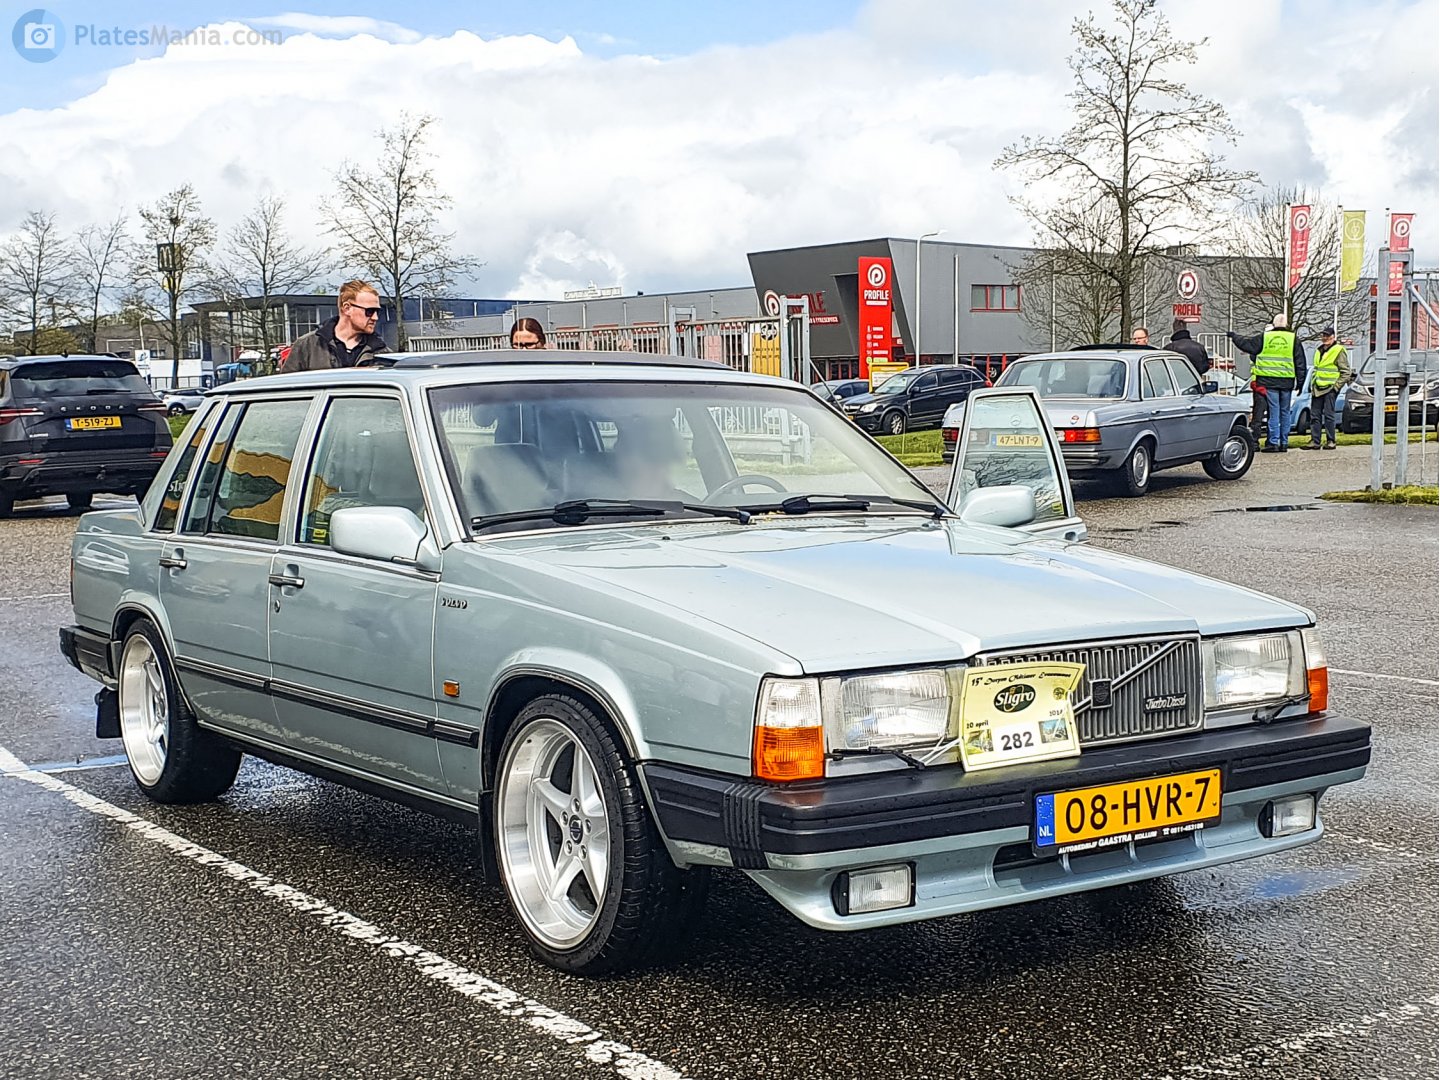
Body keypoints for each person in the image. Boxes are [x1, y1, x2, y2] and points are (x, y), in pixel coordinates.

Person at [1228, 313, 1306, 453]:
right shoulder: (1293, 339)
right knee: (1285, 413)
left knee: (1274, 413)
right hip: (1287, 382)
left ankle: (1273, 443)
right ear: (1286, 324)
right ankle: (1284, 442)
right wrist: (1300, 383)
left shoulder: (1265, 337)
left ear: (1274, 324)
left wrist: (1234, 336)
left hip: (1269, 381)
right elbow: (1300, 363)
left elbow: (1247, 345)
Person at [279, 280, 388, 372]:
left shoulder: (382, 353)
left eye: (378, 311)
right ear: (347, 308)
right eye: (370, 311)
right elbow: (286, 388)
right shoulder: (307, 346)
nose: (375, 317)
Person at [1300, 326, 1350, 450]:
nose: (1325, 338)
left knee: (1329, 415)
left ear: (1333, 337)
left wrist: (1336, 387)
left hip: (1330, 388)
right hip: (1317, 387)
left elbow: (1346, 372)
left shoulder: (1338, 351)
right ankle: (1315, 440)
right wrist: (1313, 384)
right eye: (1324, 335)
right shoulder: (1319, 350)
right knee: (1315, 415)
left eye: (1327, 336)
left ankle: (1331, 440)